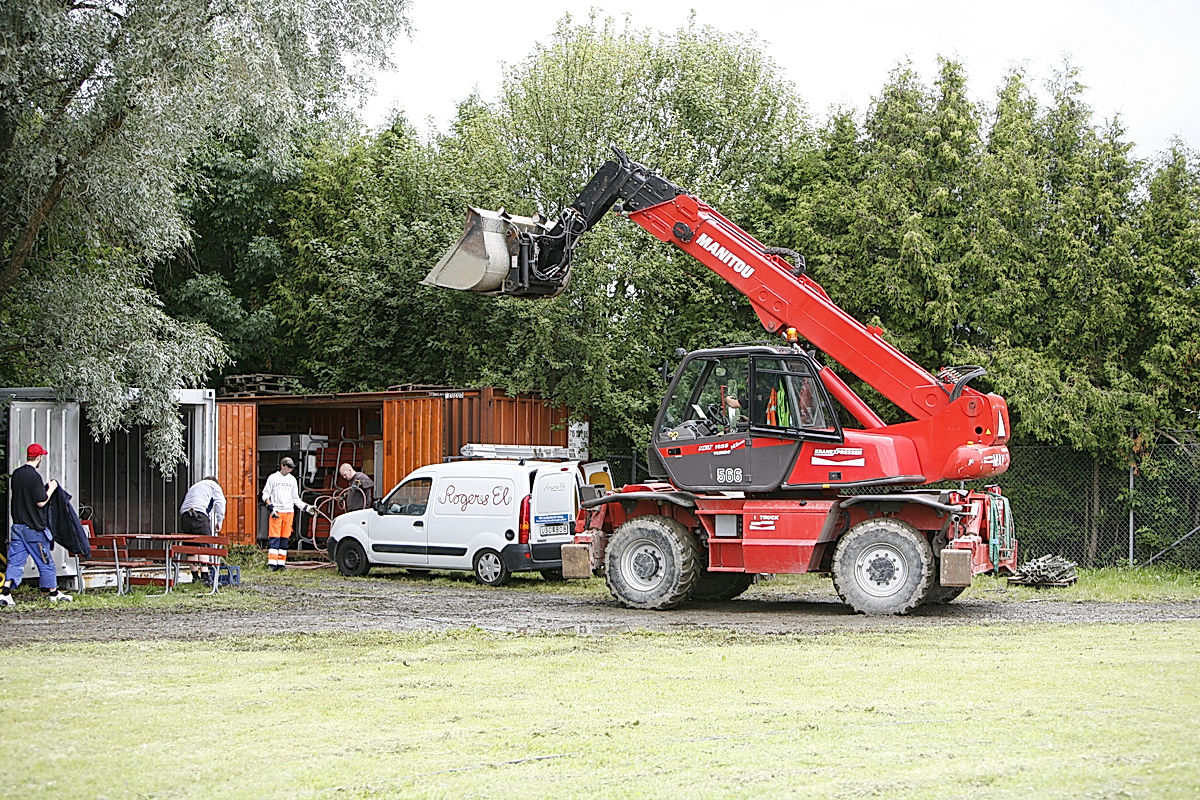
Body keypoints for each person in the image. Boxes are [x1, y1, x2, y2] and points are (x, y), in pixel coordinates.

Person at [1, 444, 72, 606]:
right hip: (33, 529)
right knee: (45, 561)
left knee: (15, 561)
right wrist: (52, 488)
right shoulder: (34, 477)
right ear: (39, 457)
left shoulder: (17, 474)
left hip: (17, 527)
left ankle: (5, 593)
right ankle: (53, 593)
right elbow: (41, 501)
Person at [261, 457, 316, 571]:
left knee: (285, 538)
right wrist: (271, 508)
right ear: (282, 466)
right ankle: (272, 564)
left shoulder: (292, 480)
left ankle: (281, 564)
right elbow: (265, 495)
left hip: (289, 512)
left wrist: (306, 508)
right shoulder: (273, 478)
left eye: (291, 468)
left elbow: (296, 499)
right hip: (277, 511)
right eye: (288, 467)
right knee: (274, 538)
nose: (290, 470)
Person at [179, 476, 226, 584]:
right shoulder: (214, 485)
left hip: (185, 516)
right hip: (199, 515)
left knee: (191, 547)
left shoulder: (194, 486)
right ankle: (205, 577)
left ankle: (195, 577)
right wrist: (219, 521)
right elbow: (220, 502)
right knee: (205, 545)